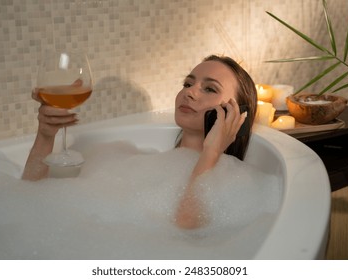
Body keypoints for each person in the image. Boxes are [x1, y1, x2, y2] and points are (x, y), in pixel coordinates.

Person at [22, 54, 257, 229]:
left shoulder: (233, 183)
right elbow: (31, 197)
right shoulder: (138, 160)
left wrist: (212, 151)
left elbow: (186, 232)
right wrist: (46, 135)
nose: (190, 92)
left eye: (209, 89)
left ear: (238, 113)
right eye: (187, 83)